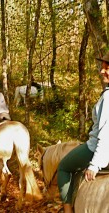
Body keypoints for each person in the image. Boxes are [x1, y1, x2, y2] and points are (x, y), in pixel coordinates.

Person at [57, 52, 109, 213]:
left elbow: (105, 133)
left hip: (97, 148)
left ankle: (67, 210)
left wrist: (95, 164)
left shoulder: (108, 97)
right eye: (102, 67)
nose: (102, 71)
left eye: (107, 68)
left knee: (63, 167)